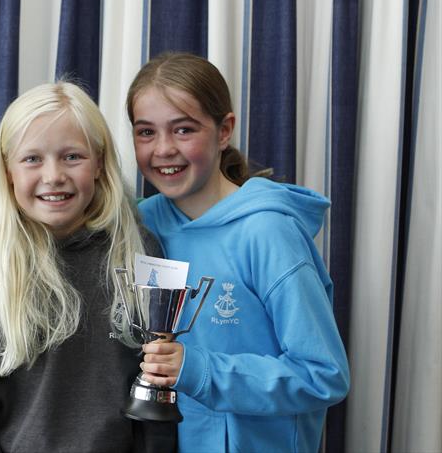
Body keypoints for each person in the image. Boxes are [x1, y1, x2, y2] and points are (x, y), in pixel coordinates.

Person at [0, 82, 177, 452]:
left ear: (98, 162)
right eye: (32, 159)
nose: (53, 176)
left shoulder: (141, 253)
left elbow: (156, 391)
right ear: (8, 169)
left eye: (72, 157)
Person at [126, 52, 350, 452]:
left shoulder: (268, 232)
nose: (162, 149)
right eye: (146, 132)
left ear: (224, 130)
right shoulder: (139, 226)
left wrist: (201, 370)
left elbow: (324, 374)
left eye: (183, 130)